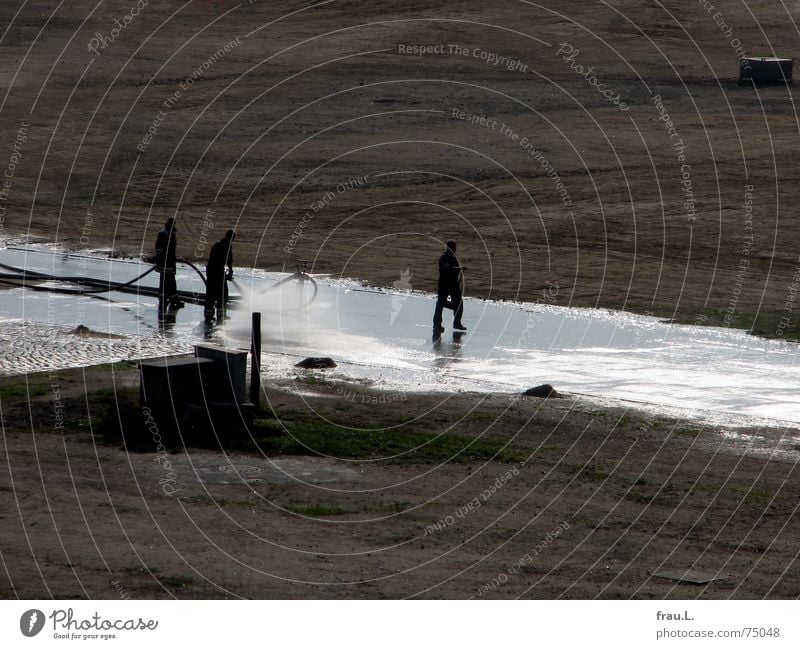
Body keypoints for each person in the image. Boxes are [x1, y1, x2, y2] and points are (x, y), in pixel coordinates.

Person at [433, 239, 467, 335]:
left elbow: (453, 270)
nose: (455, 249)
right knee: (441, 304)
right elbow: (447, 269)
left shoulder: (453, 258)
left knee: (458, 303)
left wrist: (459, 270)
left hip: (453, 284)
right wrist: (460, 269)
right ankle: (437, 325)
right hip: (444, 284)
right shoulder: (444, 258)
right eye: (454, 247)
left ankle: (457, 323)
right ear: (450, 247)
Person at [204, 229, 235, 323]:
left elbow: (226, 262)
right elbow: (223, 264)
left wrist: (228, 272)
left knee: (213, 297)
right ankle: (219, 317)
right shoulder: (223, 246)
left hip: (214, 275)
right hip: (217, 276)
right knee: (221, 296)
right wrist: (228, 273)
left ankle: (211, 317)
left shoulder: (222, 244)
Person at [154, 218, 183, 310]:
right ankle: (164, 300)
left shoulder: (170, 234)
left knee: (170, 281)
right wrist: (162, 258)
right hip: (165, 263)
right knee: (166, 282)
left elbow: (170, 249)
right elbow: (159, 248)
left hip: (170, 262)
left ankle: (170, 299)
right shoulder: (163, 234)